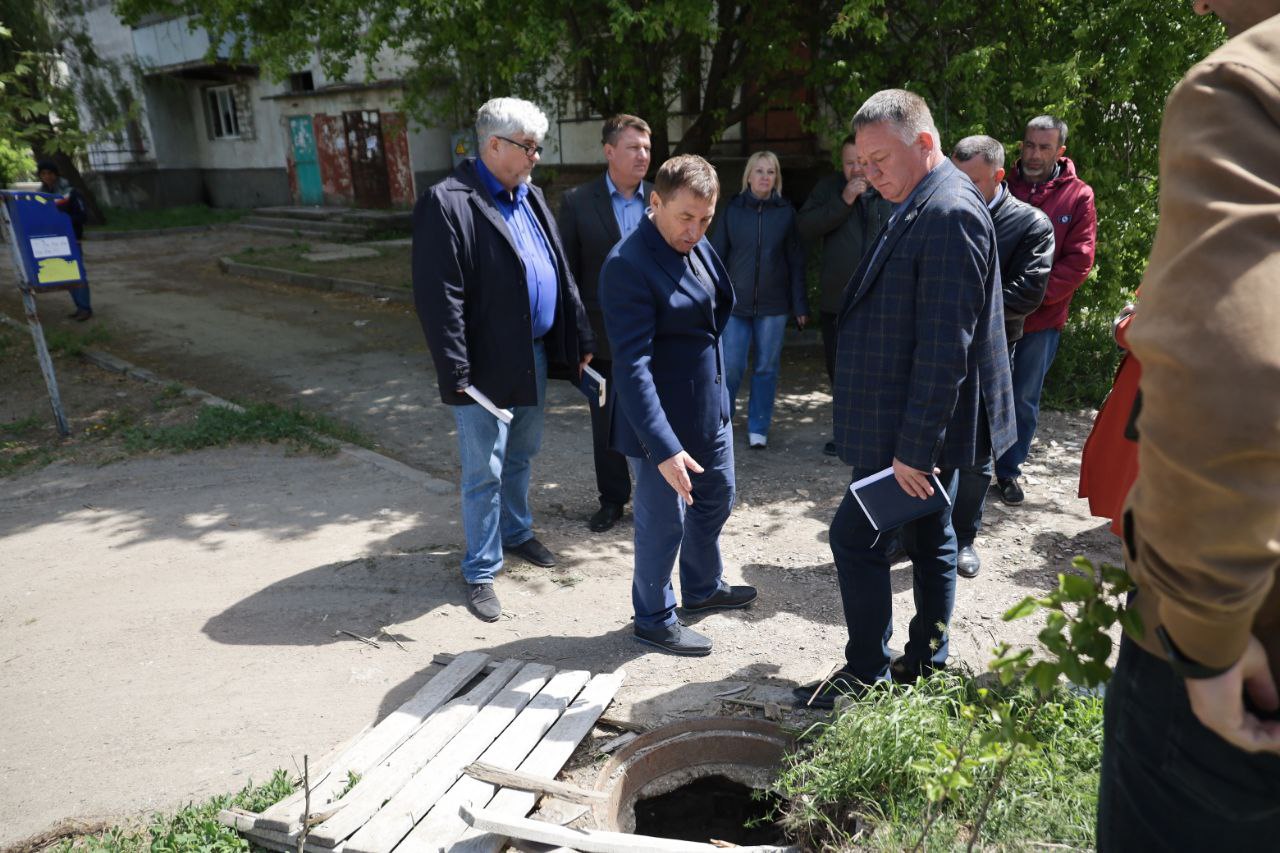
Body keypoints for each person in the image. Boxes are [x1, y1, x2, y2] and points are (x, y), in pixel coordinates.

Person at [1096, 3, 1280, 847]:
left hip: (1249, 674)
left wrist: (1205, 638)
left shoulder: (1246, 84)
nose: (1199, 6)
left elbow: (1238, 378)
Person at [795, 90, 1014, 708]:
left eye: (878, 159)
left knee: (853, 539)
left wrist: (915, 451)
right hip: (909, 423)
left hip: (911, 435)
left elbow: (947, 347)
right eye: (862, 162)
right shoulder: (921, 196)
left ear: (924, 144)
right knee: (930, 538)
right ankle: (925, 663)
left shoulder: (947, 211)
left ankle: (869, 674)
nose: (868, 173)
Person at [412, 97, 595, 623]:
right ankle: (480, 569)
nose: (536, 156)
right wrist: (457, 375)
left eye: (537, 147)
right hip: (482, 369)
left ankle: (516, 533)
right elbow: (438, 298)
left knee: (523, 452)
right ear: (494, 145)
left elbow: (559, 271)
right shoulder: (447, 203)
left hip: (531, 353)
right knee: (483, 469)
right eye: (528, 147)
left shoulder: (531, 196)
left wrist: (577, 332)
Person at [600, 154, 757, 656]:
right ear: (656, 202)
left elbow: (712, 314)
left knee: (718, 497)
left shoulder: (697, 244)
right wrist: (664, 448)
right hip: (658, 426)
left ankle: (702, 585)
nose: (695, 230)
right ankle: (653, 616)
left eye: (705, 219)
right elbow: (632, 368)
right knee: (663, 522)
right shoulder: (628, 265)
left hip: (707, 408)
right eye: (685, 217)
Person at [946, 135, 1054, 578]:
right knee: (926, 442)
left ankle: (963, 538)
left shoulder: (1030, 224)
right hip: (939, 348)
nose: (961, 187)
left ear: (998, 177)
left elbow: (1028, 291)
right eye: (955, 177)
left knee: (977, 451)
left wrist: (960, 312)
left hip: (992, 351)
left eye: (971, 180)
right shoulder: (943, 212)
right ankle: (915, 532)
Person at [557, 114, 654, 533]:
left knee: (657, 419)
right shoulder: (579, 202)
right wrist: (578, 339)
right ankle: (613, 499)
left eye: (647, 149)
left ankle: (658, 497)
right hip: (603, 342)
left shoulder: (661, 198)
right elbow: (568, 276)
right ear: (610, 151)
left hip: (656, 335)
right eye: (634, 148)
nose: (643, 156)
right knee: (607, 424)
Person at [994, 114, 1096, 506]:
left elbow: (1078, 261)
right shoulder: (1001, 184)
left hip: (1041, 320)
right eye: (1029, 145)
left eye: (1044, 147)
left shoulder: (1078, 196)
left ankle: (1007, 471)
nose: (1034, 155)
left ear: (1060, 151)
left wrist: (1032, 298)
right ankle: (966, 467)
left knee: (1022, 398)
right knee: (979, 392)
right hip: (992, 316)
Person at [797, 134, 893, 457]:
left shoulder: (890, 187)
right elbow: (805, 226)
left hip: (880, 303)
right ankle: (846, 436)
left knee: (879, 371)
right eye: (849, 163)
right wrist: (844, 201)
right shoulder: (829, 188)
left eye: (861, 162)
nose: (856, 170)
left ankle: (879, 434)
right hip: (837, 302)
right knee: (840, 372)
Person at [709, 150, 807, 449]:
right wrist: (712, 297)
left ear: (776, 178)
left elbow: (795, 261)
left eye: (771, 172)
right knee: (733, 365)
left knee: (766, 367)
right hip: (736, 306)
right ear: (748, 176)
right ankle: (722, 420)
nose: (765, 177)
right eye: (760, 171)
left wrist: (800, 305)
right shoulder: (732, 209)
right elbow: (716, 255)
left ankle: (758, 427)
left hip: (774, 306)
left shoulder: (786, 213)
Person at [36, 160, 92, 321]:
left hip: (73, 238)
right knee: (67, 273)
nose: (47, 176)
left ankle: (85, 307)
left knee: (78, 272)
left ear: (56, 174)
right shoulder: (40, 194)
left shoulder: (70, 192)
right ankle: (79, 307)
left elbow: (82, 216)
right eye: (43, 174)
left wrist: (62, 220)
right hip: (55, 241)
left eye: (49, 173)